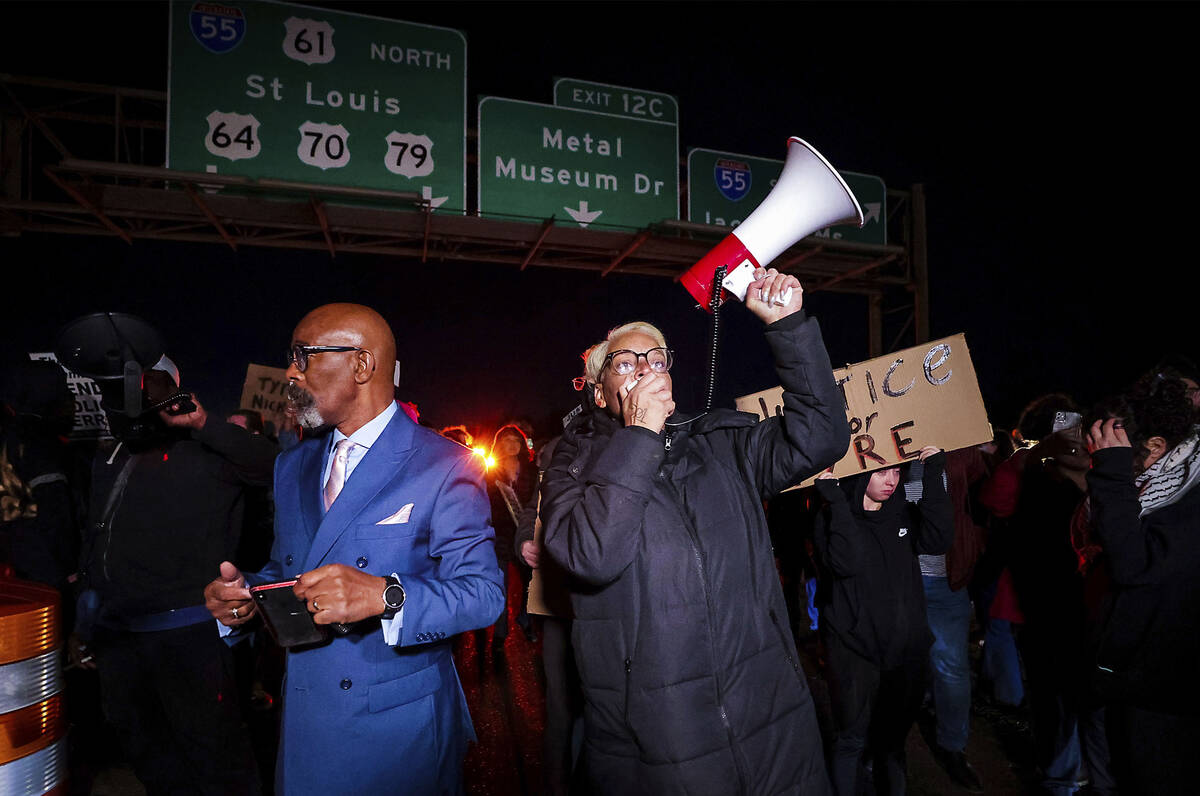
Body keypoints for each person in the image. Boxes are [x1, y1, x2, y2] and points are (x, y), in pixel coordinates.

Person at [541, 266, 847, 795]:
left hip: (773, 724)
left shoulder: (722, 445)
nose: (644, 367)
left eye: (656, 359)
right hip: (664, 748)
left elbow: (821, 437)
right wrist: (639, 434)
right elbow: (591, 554)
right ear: (598, 392)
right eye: (625, 361)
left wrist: (788, 327)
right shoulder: (569, 466)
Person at [204, 302, 505, 795]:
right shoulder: (292, 466)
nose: (290, 372)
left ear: (361, 365)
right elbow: (290, 569)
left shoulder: (445, 464)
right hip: (304, 716)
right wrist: (246, 597)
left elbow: (484, 593)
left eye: (303, 356)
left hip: (395, 730)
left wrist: (385, 595)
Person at [75, 356, 275, 796]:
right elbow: (98, 536)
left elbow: (270, 466)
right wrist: (86, 620)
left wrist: (205, 424)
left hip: (187, 632)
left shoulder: (210, 447)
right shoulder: (112, 452)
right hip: (119, 635)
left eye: (151, 382)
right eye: (130, 382)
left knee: (215, 755)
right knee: (145, 748)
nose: (139, 391)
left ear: (174, 388)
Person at [1085, 371, 1200, 795]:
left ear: (1154, 447)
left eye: (1115, 452)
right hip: (1134, 674)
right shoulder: (1171, 476)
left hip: (1167, 692)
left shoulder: (1192, 492)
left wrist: (1112, 476)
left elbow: (1133, 564)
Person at [813, 449, 951, 796]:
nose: (891, 480)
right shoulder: (831, 516)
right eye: (880, 472)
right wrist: (838, 505)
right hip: (854, 650)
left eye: (896, 472)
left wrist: (933, 472)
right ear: (858, 474)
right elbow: (847, 563)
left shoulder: (903, 512)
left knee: (892, 744)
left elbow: (938, 539)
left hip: (904, 650)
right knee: (851, 739)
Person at [918, 445, 987, 792]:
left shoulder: (958, 447)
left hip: (944, 578)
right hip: (894, 580)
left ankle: (952, 746)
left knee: (952, 668)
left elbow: (979, 480)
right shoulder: (876, 444)